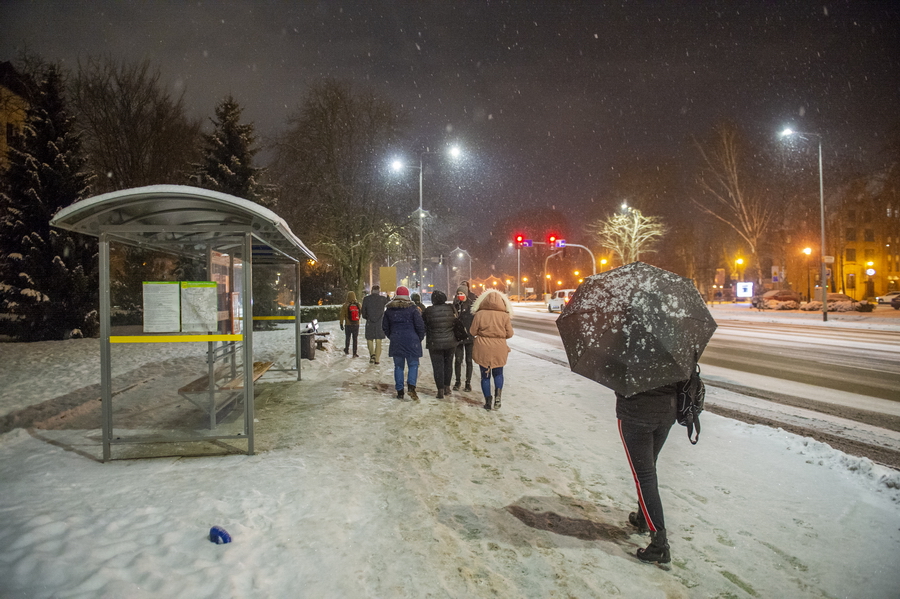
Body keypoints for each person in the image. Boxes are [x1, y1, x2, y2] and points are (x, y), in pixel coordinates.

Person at [616, 381, 680, 564]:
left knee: (644, 476)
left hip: (636, 414)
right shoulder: (675, 352)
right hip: (666, 413)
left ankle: (659, 543)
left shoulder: (630, 352)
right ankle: (643, 518)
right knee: (649, 467)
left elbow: (619, 380)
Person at [469, 288, 513, 410]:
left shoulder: (479, 314)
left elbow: (472, 331)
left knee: (485, 375)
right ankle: (498, 395)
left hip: (483, 347)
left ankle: (488, 400)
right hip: (499, 348)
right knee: (498, 373)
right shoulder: (504, 316)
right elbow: (510, 334)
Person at [382, 285, 426, 400]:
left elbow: (385, 327)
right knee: (413, 365)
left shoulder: (389, 310)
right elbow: (420, 326)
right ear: (407, 296)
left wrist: (392, 336)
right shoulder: (413, 309)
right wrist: (418, 338)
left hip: (396, 340)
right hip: (412, 340)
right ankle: (411, 387)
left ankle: (400, 391)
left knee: (398, 366)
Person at [422, 290, 458, 399]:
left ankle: (440, 390)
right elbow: (455, 322)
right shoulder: (451, 308)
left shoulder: (429, 311)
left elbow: (424, 325)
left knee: (438, 367)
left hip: (435, 343)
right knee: (448, 365)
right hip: (450, 342)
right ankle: (447, 387)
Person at [452, 282, 476, 391]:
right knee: (458, 360)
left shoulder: (472, 306)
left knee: (469, 361)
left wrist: (472, 332)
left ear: (466, 294)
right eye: (458, 293)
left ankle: (468, 382)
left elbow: (475, 321)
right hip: (458, 337)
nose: (460, 295)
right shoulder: (455, 305)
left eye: (462, 293)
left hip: (469, 337)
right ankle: (457, 382)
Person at [361, 285, 389, 364]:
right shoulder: (382, 299)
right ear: (379, 291)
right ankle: (377, 359)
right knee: (378, 340)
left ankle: (372, 355)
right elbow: (389, 304)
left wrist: (368, 317)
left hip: (370, 322)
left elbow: (363, 312)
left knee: (369, 339)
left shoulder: (366, 299)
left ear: (372, 290)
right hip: (380, 322)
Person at [339, 290, 361, 357]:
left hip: (348, 324)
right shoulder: (358, 304)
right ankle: (354, 353)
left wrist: (341, 323)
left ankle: (347, 350)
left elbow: (342, 315)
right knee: (355, 338)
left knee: (348, 338)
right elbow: (360, 313)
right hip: (356, 324)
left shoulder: (345, 305)